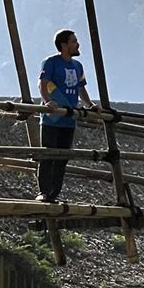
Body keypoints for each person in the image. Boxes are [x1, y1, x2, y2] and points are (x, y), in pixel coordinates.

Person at [36, 29, 98, 202]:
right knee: (48, 155)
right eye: (73, 41)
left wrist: (89, 105)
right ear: (64, 46)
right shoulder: (50, 62)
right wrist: (47, 101)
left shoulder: (78, 66)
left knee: (63, 158)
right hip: (52, 118)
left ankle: (54, 193)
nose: (77, 44)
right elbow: (42, 83)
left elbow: (80, 88)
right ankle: (44, 192)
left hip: (69, 119)